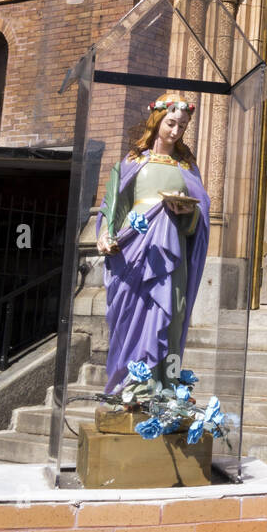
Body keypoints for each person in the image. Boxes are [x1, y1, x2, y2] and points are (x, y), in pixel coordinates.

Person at [96, 93, 210, 397]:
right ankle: (133, 385)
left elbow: (201, 215)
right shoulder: (134, 161)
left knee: (169, 313)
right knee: (135, 314)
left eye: (182, 127)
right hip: (135, 248)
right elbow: (113, 206)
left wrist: (189, 213)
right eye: (171, 124)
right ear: (158, 120)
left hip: (171, 252)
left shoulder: (186, 166)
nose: (175, 131)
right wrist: (106, 235)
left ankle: (166, 387)